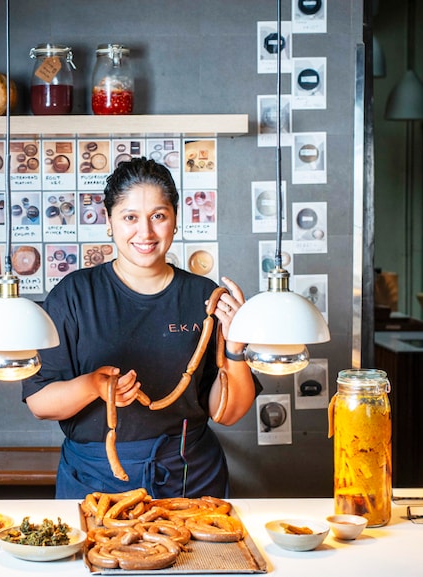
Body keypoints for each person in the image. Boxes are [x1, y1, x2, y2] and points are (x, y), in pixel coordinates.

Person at [22, 157, 261, 499]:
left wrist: (236, 349)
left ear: (175, 220)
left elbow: (227, 413)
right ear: (109, 221)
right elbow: (40, 402)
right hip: (96, 481)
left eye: (158, 217)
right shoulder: (73, 295)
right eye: (130, 217)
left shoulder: (204, 297)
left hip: (190, 479)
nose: (145, 233)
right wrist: (93, 386)